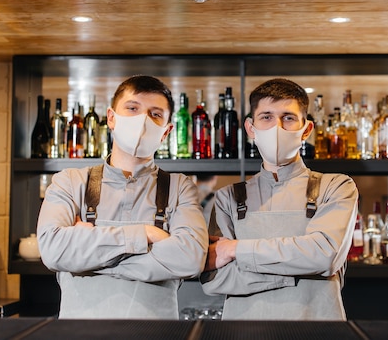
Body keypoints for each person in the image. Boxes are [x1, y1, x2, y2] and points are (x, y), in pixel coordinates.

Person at [37, 75, 208, 319]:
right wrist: (145, 235)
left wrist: (88, 259)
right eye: (132, 109)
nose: (143, 120)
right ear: (111, 118)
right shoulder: (70, 181)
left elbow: (191, 259)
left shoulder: (180, 188)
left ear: (167, 131)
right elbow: (54, 250)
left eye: (155, 114)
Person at [200, 78, 358, 321]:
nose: (277, 127)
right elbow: (214, 280)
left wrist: (236, 250)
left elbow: (325, 255)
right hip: (243, 333)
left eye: (288, 117)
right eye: (266, 117)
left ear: (306, 129)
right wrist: (300, 272)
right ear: (251, 129)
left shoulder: (336, 186)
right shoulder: (228, 197)